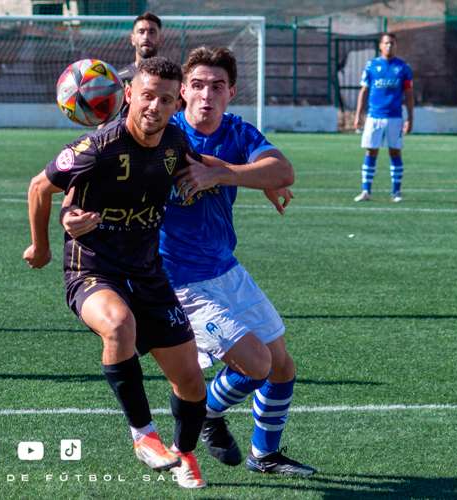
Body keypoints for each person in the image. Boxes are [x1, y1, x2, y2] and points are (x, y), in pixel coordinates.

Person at [63, 47, 316, 476]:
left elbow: (282, 170)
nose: (206, 95)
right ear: (181, 92)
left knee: (283, 366)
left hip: (226, 267)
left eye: (217, 86)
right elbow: (99, 168)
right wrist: (71, 216)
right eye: (196, 85)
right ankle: (208, 412)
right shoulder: (163, 127)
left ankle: (264, 454)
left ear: (231, 92)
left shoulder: (237, 132)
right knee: (257, 365)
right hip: (177, 278)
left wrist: (232, 176)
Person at [24, 57, 208, 489]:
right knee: (119, 325)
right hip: (91, 269)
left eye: (166, 99)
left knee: (191, 382)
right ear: (129, 96)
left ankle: (184, 455)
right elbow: (39, 187)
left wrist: (264, 180)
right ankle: (143, 435)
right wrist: (44, 242)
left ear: (176, 101)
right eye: (147, 96)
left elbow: (195, 168)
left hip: (147, 273)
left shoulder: (176, 142)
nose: (155, 107)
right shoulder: (97, 146)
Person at [353, 33, 414, 203]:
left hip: (395, 117)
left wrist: (410, 118)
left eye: (392, 43)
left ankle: (396, 192)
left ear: (396, 46)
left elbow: (409, 94)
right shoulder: (371, 65)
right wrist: (358, 115)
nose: (389, 46)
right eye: (386, 43)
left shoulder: (403, 67)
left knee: (394, 151)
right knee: (371, 150)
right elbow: (363, 91)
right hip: (374, 116)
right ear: (380, 45)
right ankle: (366, 191)